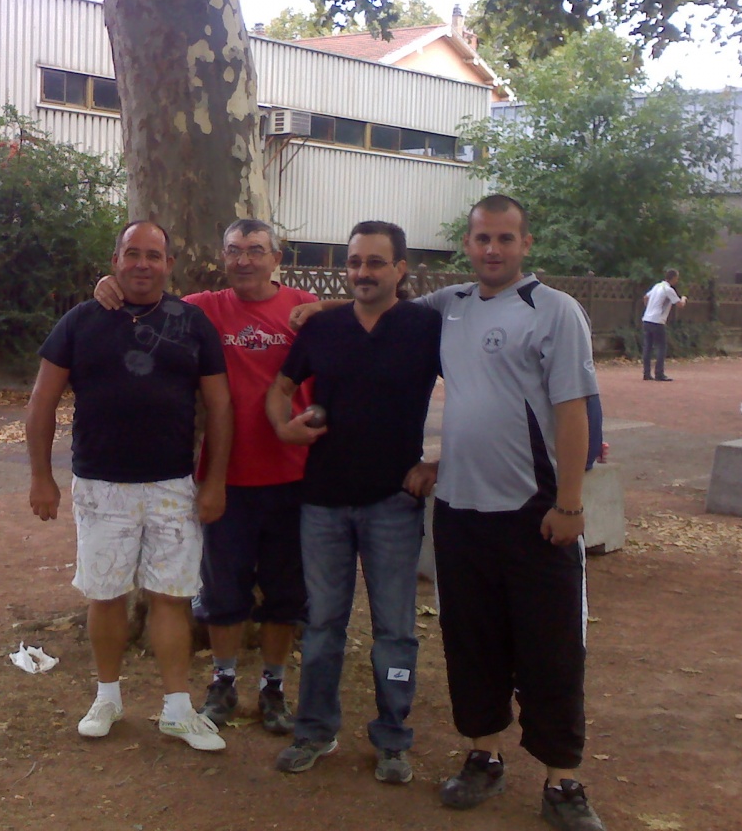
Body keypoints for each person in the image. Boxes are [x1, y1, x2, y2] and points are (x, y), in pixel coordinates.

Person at [409, 194, 605, 831]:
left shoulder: (555, 310)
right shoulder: (451, 305)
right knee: (472, 644)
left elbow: (572, 412)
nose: (492, 249)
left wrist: (570, 504)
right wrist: (313, 307)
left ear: (525, 244)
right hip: (461, 514)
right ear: (466, 244)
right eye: (481, 238)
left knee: (552, 653)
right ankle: (483, 756)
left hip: (536, 515)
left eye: (504, 238)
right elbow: (379, 311)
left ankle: (562, 780)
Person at [94, 218, 316, 734]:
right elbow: (143, 299)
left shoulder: (304, 308)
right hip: (226, 479)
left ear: (276, 258)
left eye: (256, 250)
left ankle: (274, 687)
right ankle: (223, 681)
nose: (244, 260)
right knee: (222, 593)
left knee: (285, 594)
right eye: (234, 250)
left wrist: (329, 307)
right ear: (223, 257)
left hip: (295, 477)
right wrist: (106, 285)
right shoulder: (203, 309)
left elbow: (366, 312)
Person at [25, 220, 234, 752]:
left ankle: (177, 710)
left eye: (154, 255)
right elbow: (42, 401)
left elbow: (220, 406)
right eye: (132, 253)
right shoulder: (80, 321)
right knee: (105, 594)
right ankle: (107, 698)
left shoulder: (192, 323)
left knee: (171, 597)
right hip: (101, 486)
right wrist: (41, 476)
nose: (143, 264)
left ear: (169, 264)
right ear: (115, 260)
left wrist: (214, 482)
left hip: (173, 486)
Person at [265, 221, 441, 786]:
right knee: (321, 626)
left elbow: (472, 392)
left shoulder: (426, 328)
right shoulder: (324, 327)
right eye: (355, 262)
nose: (363, 272)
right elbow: (281, 389)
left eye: (375, 262)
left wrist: (440, 463)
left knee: (396, 630)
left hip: (394, 502)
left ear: (400, 269)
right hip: (322, 502)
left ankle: (393, 738)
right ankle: (315, 731)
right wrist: (283, 427)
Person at [641, 269, 687, 381]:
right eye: (677, 278)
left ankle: (646, 373)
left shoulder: (657, 286)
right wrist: (684, 298)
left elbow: (646, 297)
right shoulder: (668, 290)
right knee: (661, 347)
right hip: (658, 321)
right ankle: (659, 373)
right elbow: (680, 305)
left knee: (648, 347)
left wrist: (649, 308)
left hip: (647, 319)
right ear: (674, 278)